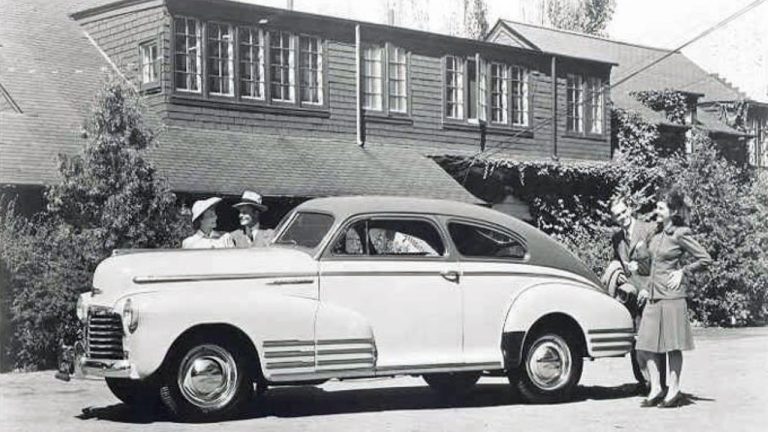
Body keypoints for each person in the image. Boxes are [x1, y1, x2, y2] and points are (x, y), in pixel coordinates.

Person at [636, 188, 712, 408]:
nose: (656, 211)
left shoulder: (680, 233)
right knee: (645, 344)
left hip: (672, 296)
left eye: (661, 208)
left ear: (672, 211)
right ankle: (656, 388)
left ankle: (674, 390)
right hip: (653, 295)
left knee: (672, 346)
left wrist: (683, 272)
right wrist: (641, 257)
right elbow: (650, 266)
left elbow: (705, 259)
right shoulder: (655, 233)